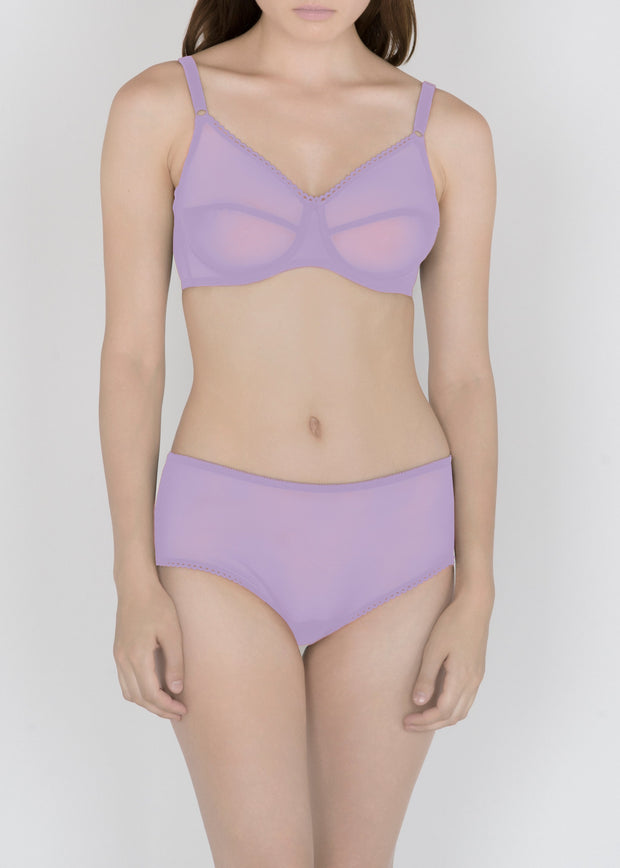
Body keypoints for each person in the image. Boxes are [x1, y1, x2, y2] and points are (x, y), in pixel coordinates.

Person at [99, 1, 497, 865]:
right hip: (222, 541)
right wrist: (132, 575)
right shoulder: (160, 108)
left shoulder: (450, 132)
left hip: (398, 547)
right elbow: (132, 359)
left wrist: (478, 588)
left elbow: (464, 375)